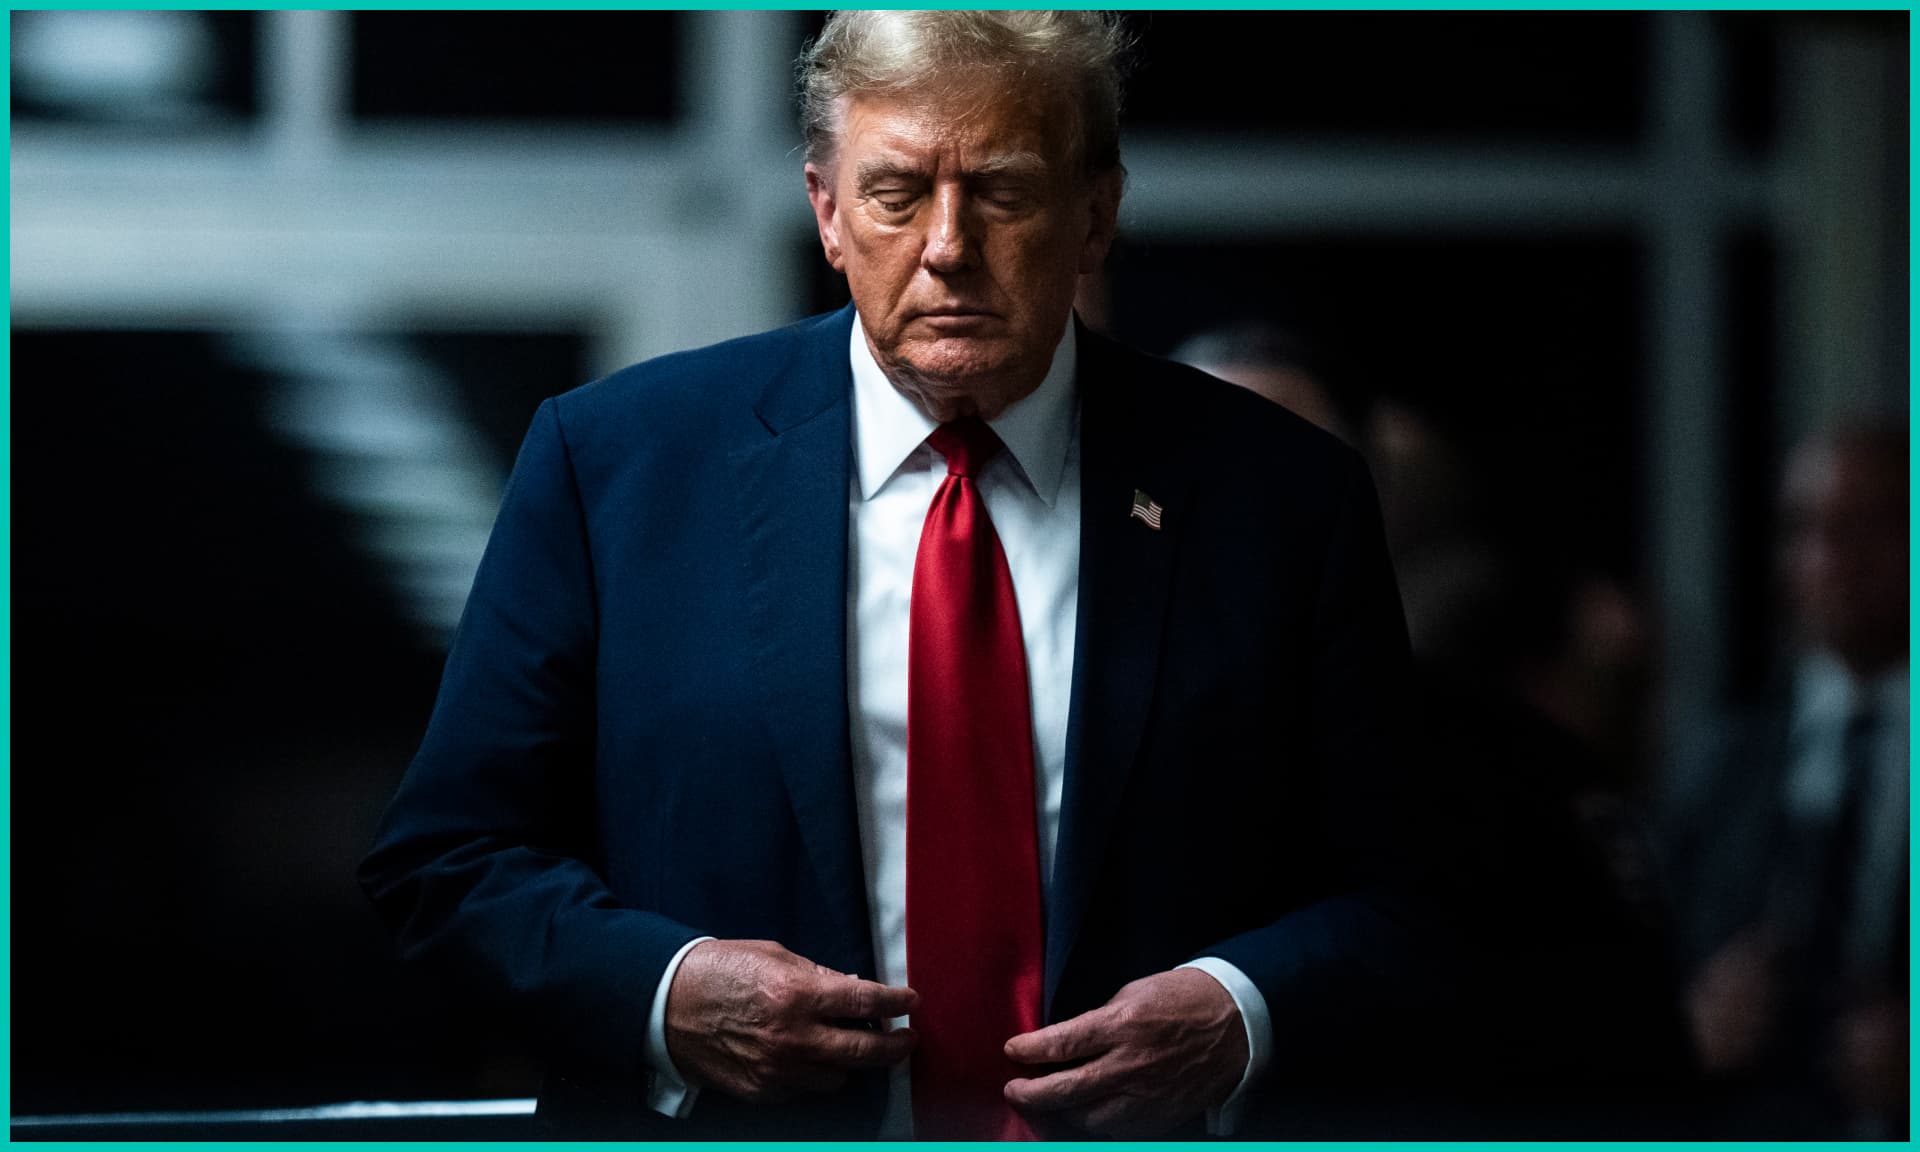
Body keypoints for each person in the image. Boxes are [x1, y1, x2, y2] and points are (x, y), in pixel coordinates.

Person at [360, 11, 1413, 1140]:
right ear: (826, 210)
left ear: (1095, 215)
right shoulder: (617, 464)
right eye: (897, 193)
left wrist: (1239, 1013)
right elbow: (449, 861)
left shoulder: (1281, 494)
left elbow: (1414, 892)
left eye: (1002, 193)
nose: (948, 245)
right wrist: (666, 993)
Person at [1664, 421, 1909, 1139]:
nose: (1834, 560)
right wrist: (1691, 1026)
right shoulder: (1722, 762)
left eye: (1874, 527)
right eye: (1806, 530)